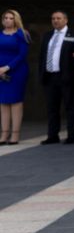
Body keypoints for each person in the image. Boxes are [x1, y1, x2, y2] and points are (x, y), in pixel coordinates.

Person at [39, 10, 74, 145]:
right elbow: (42, 56)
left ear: (66, 20)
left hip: (67, 76)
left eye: (58, 18)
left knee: (70, 107)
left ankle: (72, 135)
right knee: (52, 108)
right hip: (50, 76)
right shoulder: (47, 35)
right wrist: (42, 74)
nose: (55, 20)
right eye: (53, 18)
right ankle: (52, 135)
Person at [0, 10, 31, 146]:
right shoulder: (0, 35)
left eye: (11, 18)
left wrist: (7, 67)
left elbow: (22, 55)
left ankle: (15, 134)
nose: (7, 20)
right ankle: (4, 134)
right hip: (0, 72)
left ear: (16, 20)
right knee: (3, 102)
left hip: (17, 71)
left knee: (16, 102)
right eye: (5, 18)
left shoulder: (22, 34)